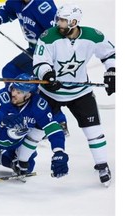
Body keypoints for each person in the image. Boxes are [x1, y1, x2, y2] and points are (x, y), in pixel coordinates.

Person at [32, 4, 115, 186]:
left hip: (80, 92)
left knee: (94, 132)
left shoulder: (94, 36)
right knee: (36, 129)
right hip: (50, 93)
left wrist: (112, 73)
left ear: (74, 22)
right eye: (59, 19)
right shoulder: (48, 37)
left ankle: (102, 164)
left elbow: (110, 54)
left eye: (63, 20)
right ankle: (21, 162)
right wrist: (47, 75)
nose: (58, 23)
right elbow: (40, 61)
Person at [0, 0, 69, 136]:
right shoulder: (16, 1)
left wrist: (52, 61)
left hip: (48, 54)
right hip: (33, 50)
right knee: (10, 71)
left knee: (43, 86)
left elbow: (58, 34)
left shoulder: (43, 7)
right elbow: (8, 11)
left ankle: (58, 122)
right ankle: (16, 110)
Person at [0, 73, 69, 178]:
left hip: (15, 142)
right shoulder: (3, 96)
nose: (13, 94)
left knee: (27, 167)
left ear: (28, 95)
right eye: (13, 89)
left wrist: (59, 151)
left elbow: (52, 128)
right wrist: (2, 120)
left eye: (19, 92)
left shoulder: (38, 105)